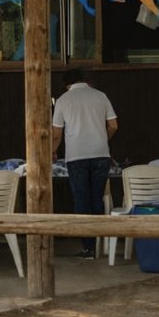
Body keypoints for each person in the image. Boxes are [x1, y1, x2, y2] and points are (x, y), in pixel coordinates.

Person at [51, 68, 118, 259]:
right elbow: (114, 125)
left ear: (67, 83)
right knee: (97, 198)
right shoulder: (100, 96)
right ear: (85, 80)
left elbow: (56, 134)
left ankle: (87, 248)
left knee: (81, 199)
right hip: (100, 154)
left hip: (76, 156)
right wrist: (103, 138)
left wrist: (52, 151)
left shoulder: (64, 100)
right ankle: (98, 244)